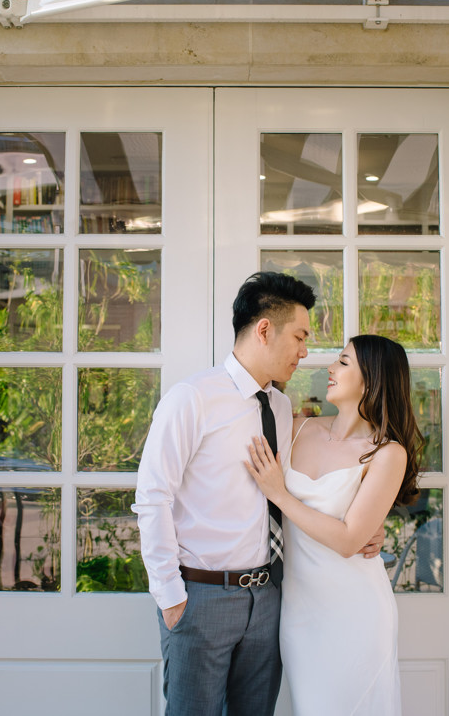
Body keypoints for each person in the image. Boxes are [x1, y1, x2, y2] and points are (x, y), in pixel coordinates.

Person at [133, 272, 383, 716]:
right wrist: (171, 596)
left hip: (269, 598)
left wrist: (363, 525)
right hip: (201, 598)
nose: (306, 352)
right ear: (265, 329)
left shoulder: (283, 409)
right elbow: (153, 497)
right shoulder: (192, 398)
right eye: (300, 336)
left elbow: (299, 489)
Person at [244, 335, 423, 716]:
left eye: (343, 362)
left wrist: (281, 495)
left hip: (355, 613)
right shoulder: (296, 427)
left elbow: (347, 541)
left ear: (371, 380)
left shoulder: (388, 452)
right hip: (299, 612)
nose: (330, 368)